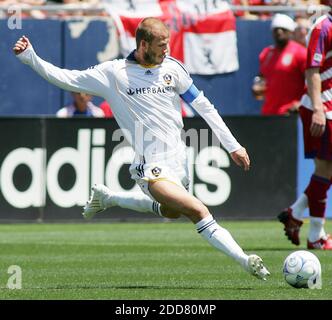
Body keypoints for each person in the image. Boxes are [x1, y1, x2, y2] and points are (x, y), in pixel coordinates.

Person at [13, 18, 270, 280]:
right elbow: (68, 79)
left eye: (168, 43)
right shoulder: (114, 74)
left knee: (172, 212)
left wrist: (232, 145)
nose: (166, 49)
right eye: (161, 44)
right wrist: (30, 58)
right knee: (198, 211)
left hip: (179, 162)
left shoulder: (173, 68)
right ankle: (245, 260)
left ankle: (110, 198)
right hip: (150, 167)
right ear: (143, 44)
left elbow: (204, 107)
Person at [278, 11, 332, 250]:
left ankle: (296, 212)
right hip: (322, 107)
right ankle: (315, 236)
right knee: (325, 168)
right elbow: (312, 71)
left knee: (327, 170)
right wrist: (319, 109)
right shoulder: (323, 27)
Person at [252, 14, 307, 115]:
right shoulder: (266, 53)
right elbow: (262, 78)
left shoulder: (301, 53)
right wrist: (257, 87)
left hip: (290, 113)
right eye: (276, 29)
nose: (279, 32)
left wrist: (302, 103)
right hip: (268, 113)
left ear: (291, 31)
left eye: (283, 29)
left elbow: (311, 81)